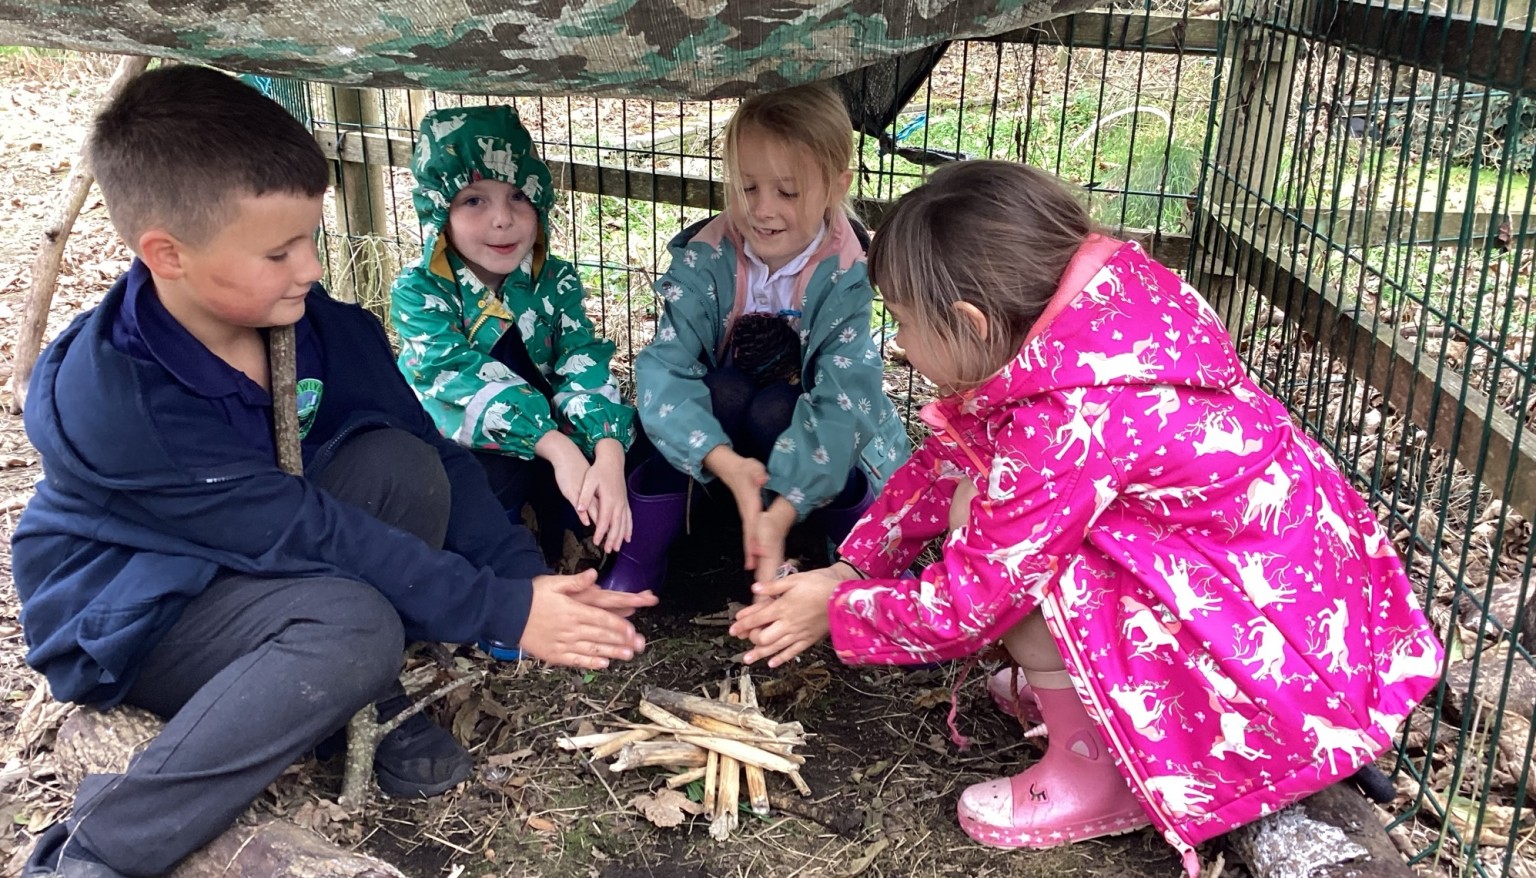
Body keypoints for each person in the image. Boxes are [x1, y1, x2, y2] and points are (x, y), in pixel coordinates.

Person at [14, 67, 655, 878]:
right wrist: (500, 610)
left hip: (258, 560)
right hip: (140, 611)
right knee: (356, 626)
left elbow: (434, 453)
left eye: (309, 238)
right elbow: (302, 529)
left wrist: (526, 581)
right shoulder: (120, 395)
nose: (310, 268)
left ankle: (349, 696)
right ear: (167, 255)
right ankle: (99, 847)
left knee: (401, 464)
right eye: (278, 251)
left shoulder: (318, 325)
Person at [730, 160, 1443, 875]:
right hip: (1290, 612)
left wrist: (843, 611)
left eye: (905, 322)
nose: (900, 343)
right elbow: (954, 459)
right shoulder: (1093, 321)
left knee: (1015, 554)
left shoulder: (1069, 417)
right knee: (989, 504)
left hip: (1268, 674)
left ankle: (1095, 772)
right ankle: (1087, 695)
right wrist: (855, 566)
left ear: (971, 322)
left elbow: (975, 600)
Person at [608, 83, 910, 594]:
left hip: (810, 449)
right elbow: (665, 369)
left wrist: (786, 503)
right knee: (722, 390)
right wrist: (723, 460)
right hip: (722, 450)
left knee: (777, 407)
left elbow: (844, 401)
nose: (762, 210)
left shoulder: (848, 272)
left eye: (787, 192)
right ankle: (643, 555)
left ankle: (859, 559)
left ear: (836, 186)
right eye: (747, 188)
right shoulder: (705, 256)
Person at [391, 105, 637, 565]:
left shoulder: (555, 280)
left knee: (625, 452)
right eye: (474, 201)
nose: (502, 219)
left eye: (518, 196)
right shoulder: (420, 291)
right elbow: (453, 377)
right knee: (486, 478)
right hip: (470, 447)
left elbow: (581, 360)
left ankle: (578, 553)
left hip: (548, 440)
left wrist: (608, 453)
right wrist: (557, 447)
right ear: (440, 211)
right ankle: (499, 572)